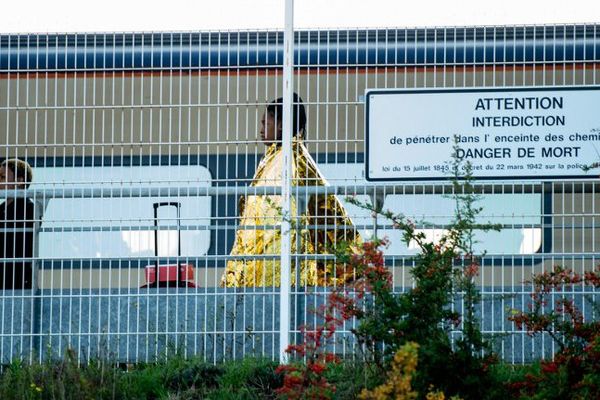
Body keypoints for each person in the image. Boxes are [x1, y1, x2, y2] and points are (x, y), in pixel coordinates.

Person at [221, 94, 361, 287]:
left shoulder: (285, 162)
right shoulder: (288, 158)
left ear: (280, 125)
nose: (261, 130)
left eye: (265, 123)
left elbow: (275, 219)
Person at [0, 159, 35, 289]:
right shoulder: (2, 208)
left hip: (17, 278)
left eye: (3, 177)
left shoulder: (29, 208)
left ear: (20, 181)